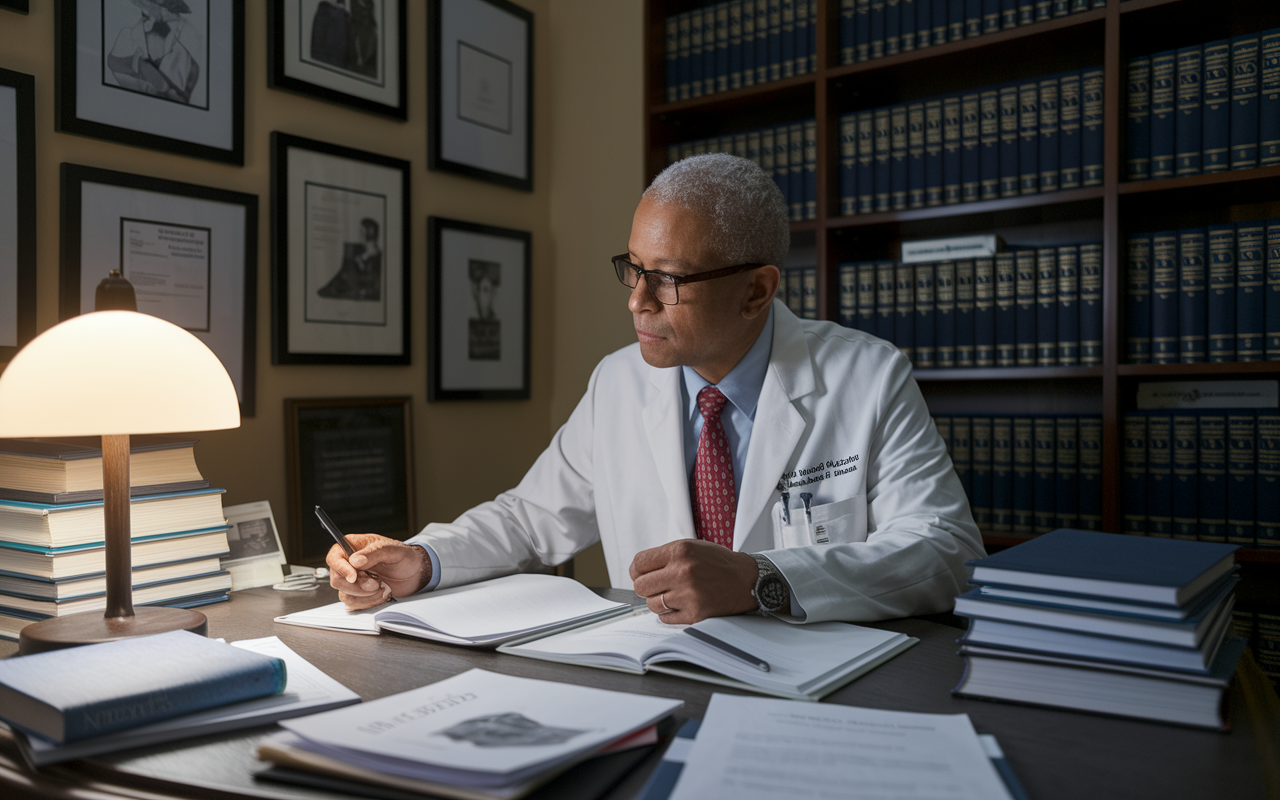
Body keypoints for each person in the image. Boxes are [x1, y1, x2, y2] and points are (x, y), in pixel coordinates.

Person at [328, 153, 983, 624]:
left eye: (667, 279)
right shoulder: (619, 381)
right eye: (632, 269)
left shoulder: (867, 375)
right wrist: (422, 558)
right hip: (655, 674)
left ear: (757, 289)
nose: (637, 302)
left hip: (818, 689)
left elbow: (944, 552)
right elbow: (531, 520)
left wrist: (764, 580)